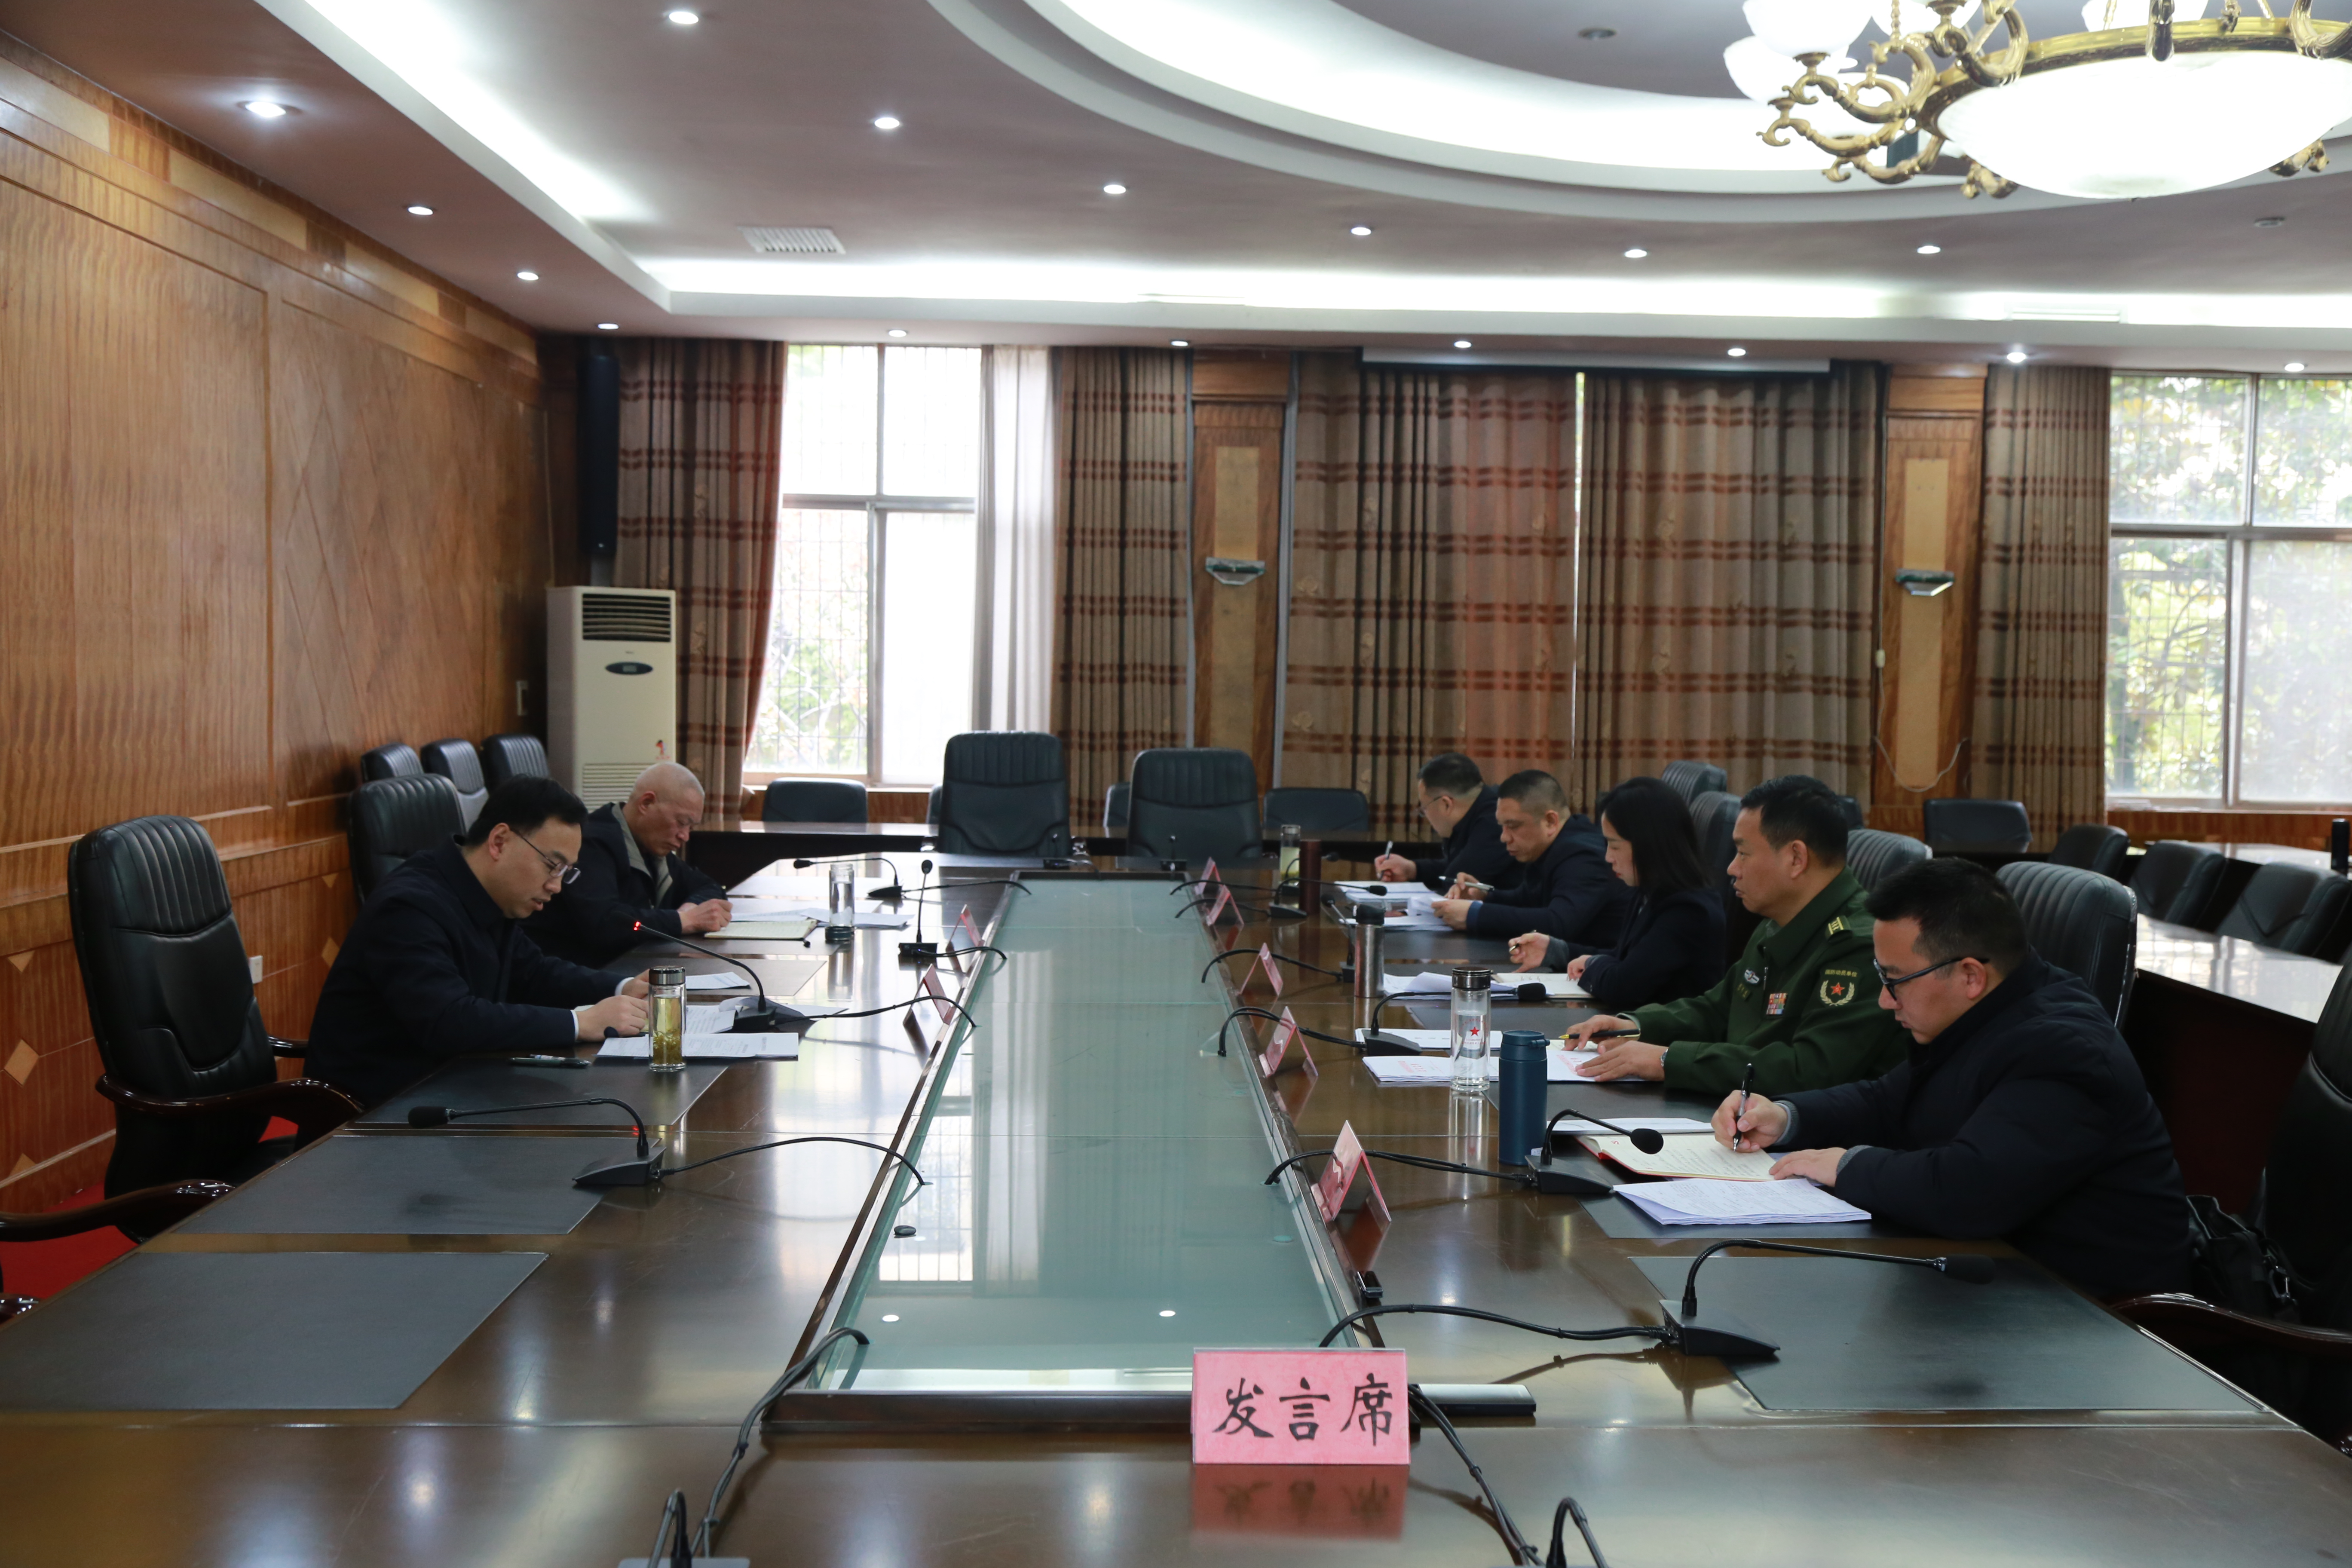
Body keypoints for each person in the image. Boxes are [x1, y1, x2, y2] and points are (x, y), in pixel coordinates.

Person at [1711, 858, 2190, 1300]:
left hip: (2094, 1318)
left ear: (1970, 976)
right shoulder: (1983, 1013)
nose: (1884, 1000)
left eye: (1895, 980)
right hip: (2001, 1280)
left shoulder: (2065, 1051)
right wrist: (1785, 1117)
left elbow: (1968, 1193)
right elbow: (1885, 1102)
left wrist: (1847, 1166)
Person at [309, 776, 652, 1108]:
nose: (556, 886)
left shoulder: (487, 896)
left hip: (456, 1088)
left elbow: (534, 972)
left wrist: (623, 987)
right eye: (553, 865)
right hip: (378, 1111)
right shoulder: (408, 906)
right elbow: (449, 1020)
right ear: (499, 841)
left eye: (566, 872)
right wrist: (581, 1023)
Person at [1566, 775, 1904, 1098]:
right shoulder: (1779, 920)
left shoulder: (1860, 947)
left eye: (1743, 853)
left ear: (1796, 858)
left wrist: (1668, 1060)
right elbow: (1718, 1009)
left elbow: (1810, 1070)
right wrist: (1635, 1025)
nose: (1731, 868)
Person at [1507, 775, 1725, 1012]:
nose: (1608, 857)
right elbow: (1626, 958)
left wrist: (1593, 963)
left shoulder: (1688, 910)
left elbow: (1623, 986)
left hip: (1666, 1033)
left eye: (1615, 845)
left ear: (1648, 845)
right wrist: (1555, 950)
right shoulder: (1649, 890)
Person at [525, 761, 732, 967]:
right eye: (681, 822)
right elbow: (605, 924)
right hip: (574, 973)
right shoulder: (591, 843)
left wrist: (690, 909)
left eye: (691, 828)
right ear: (646, 803)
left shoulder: (652, 848)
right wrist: (684, 921)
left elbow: (709, 886)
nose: (685, 836)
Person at [1430, 770, 1629, 945]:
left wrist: (1474, 914)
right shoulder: (1553, 846)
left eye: (1513, 826)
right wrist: (1483, 896)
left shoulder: (1583, 857)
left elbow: (1558, 923)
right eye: (1502, 826)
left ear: (1550, 821)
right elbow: (1527, 899)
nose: (1504, 837)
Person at [1372, 753, 1517, 894]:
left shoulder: (1496, 820)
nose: (1426, 816)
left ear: (1446, 804)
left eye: (1424, 809)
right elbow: (1457, 866)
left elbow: (1456, 882)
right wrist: (1413, 869)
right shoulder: (1483, 807)